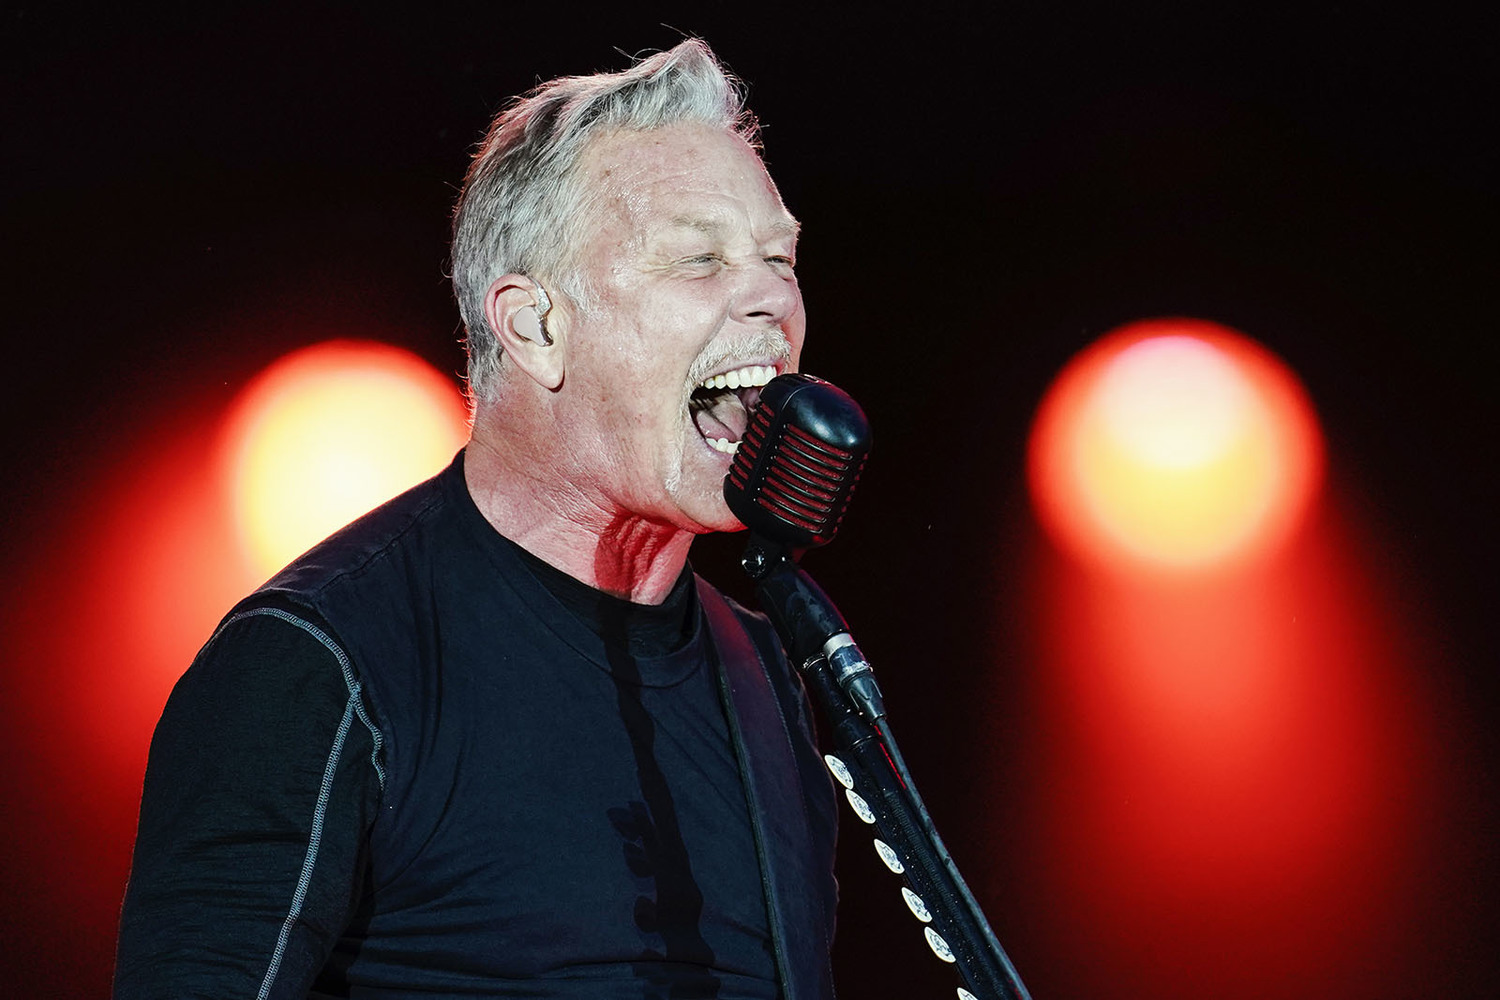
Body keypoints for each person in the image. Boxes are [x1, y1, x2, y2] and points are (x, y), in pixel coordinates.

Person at [113, 39, 839, 1000]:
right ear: (535, 327)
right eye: (700, 259)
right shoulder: (317, 664)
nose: (772, 298)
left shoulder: (768, 670)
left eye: (779, 257)